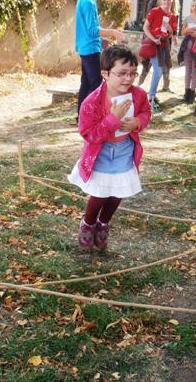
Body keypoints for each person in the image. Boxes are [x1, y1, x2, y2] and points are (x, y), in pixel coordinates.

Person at [67, 45, 151, 250]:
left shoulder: (138, 95)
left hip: (124, 150)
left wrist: (137, 122)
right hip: (101, 153)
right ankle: (88, 223)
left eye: (133, 73)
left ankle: (103, 223)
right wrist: (113, 119)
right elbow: (89, 133)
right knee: (100, 193)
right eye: (122, 73)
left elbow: (146, 112)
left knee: (117, 193)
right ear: (105, 74)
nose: (128, 79)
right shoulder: (92, 102)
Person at [75, 0, 124, 116]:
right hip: (90, 49)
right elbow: (91, 29)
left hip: (86, 47)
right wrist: (113, 32)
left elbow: (88, 28)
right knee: (97, 84)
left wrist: (102, 39)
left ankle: (81, 116)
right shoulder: (88, 2)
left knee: (86, 83)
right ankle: (89, 115)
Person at [138, 0, 178, 92]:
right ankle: (140, 85)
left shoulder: (174, 4)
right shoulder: (154, 3)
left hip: (164, 41)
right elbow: (147, 24)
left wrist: (172, 33)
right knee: (147, 65)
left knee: (164, 65)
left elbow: (173, 25)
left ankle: (164, 87)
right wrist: (153, 37)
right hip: (151, 39)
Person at [142, 0, 178, 113]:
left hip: (163, 46)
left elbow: (170, 35)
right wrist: (153, 39)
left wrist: (170, 31)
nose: (167, 2)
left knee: (160, 71)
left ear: (172, 0)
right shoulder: (154, 11)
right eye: (164, 0)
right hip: (152, 45)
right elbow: (145, 27)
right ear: (161, 0)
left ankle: (152, 96)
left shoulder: (173, 16)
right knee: (158, 71)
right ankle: (151, 97)